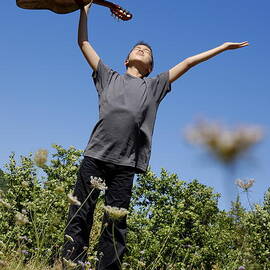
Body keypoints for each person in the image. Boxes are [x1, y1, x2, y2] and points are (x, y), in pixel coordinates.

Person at [61, 2, 248, 270]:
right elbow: (83, 42)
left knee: (115, 223)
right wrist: (85, 8)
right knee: (80, 213)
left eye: (147, 51)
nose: (142, 49)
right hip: (96, 156)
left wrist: (221, 47)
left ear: (149, 67)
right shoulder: (108, 76)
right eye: (137, 48)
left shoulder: (155, 86)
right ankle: (70, 263)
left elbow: (188, 62)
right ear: (126, 60)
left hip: (126, 163)